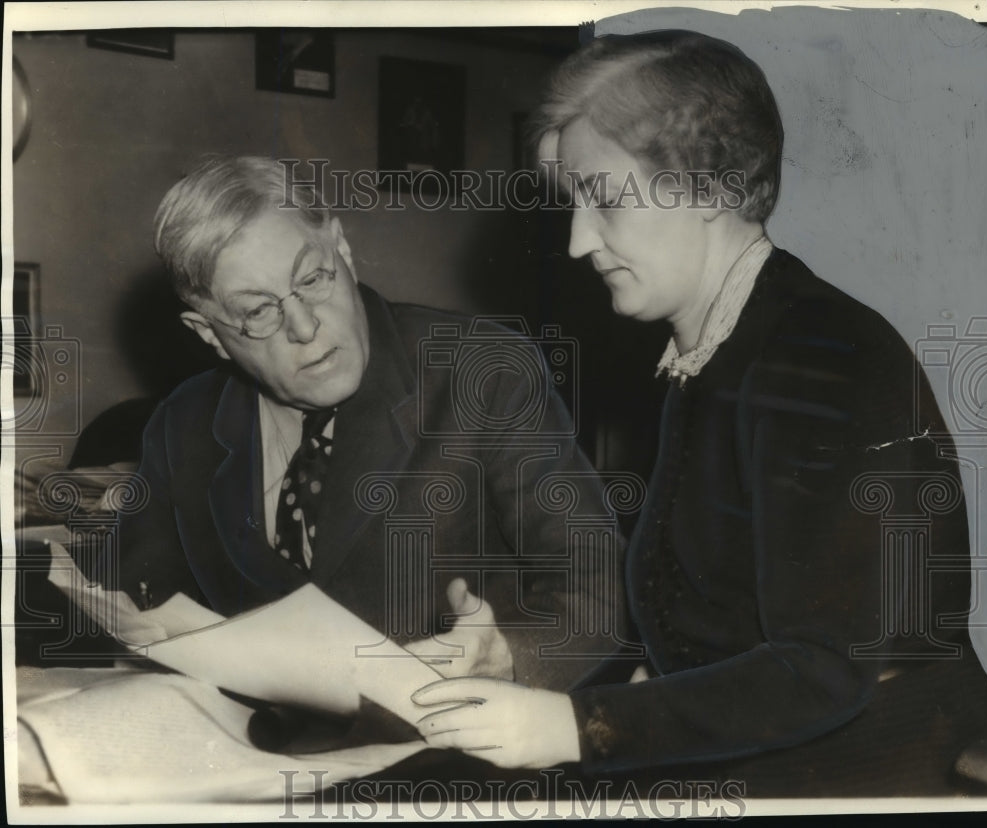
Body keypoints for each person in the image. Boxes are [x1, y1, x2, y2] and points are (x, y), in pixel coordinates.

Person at [411, 31, 987, 796]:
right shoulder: (724, 350)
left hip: (879, 770)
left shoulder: (823, 355)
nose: (580, 241)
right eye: (574, 205)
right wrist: (522, 665)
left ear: (712, 186)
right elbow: (711, 634)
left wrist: (570, 727)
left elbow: (822, 670)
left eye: (606, 199)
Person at [111, 155, 627, 694]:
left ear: (344, 249)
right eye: (259, 312)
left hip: (450, 751)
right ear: (209, 334)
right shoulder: (182, 424)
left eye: (312, 277)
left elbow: (599, 592)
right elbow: (138, 609)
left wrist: (510, 659)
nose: (306, 326)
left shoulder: (483, 372)